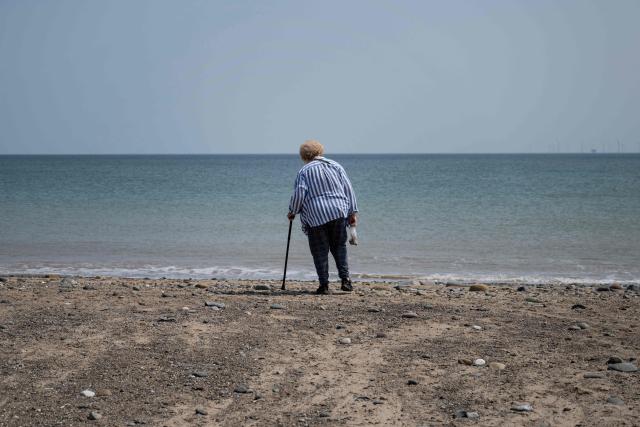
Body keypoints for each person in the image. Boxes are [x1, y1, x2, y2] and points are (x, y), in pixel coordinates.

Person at [287, 140, 358, 294]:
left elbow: (299, 193)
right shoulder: (336, 165)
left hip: (315, 215)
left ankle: (324, 285)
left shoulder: (304, 171)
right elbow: (348, 189)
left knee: (320, 251)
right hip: (338, 211)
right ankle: (345, 280)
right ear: (320, 151)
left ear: (303, 156)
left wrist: (292, 211)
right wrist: (352, 212)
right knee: (339, 246)